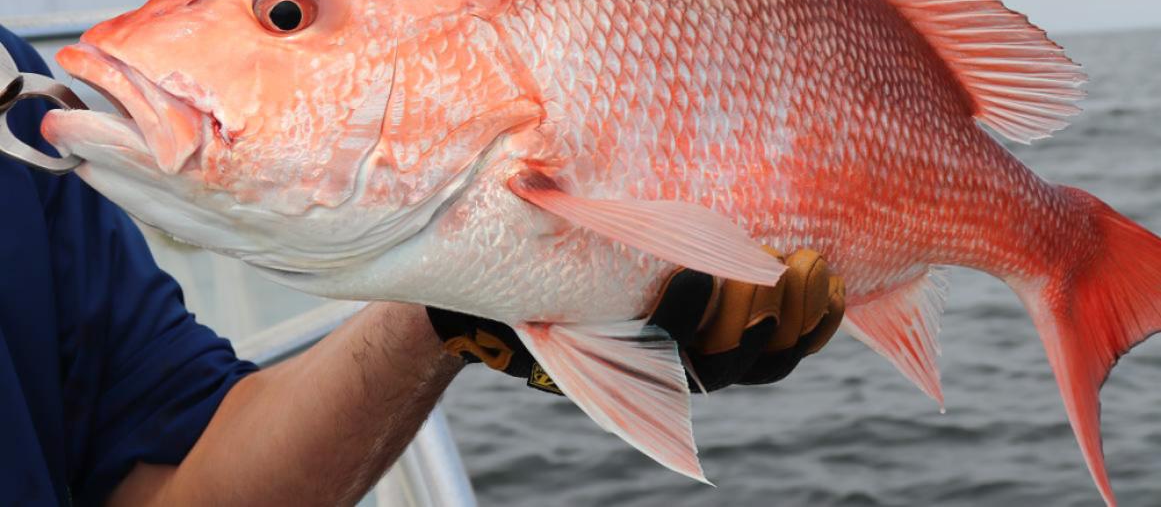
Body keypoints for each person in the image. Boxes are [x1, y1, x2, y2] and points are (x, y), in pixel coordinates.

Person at [0, 26, 844, 506]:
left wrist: (446, 305)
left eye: (287, 14)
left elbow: (172, 489)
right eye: (285, 13)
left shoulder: (10, 93)